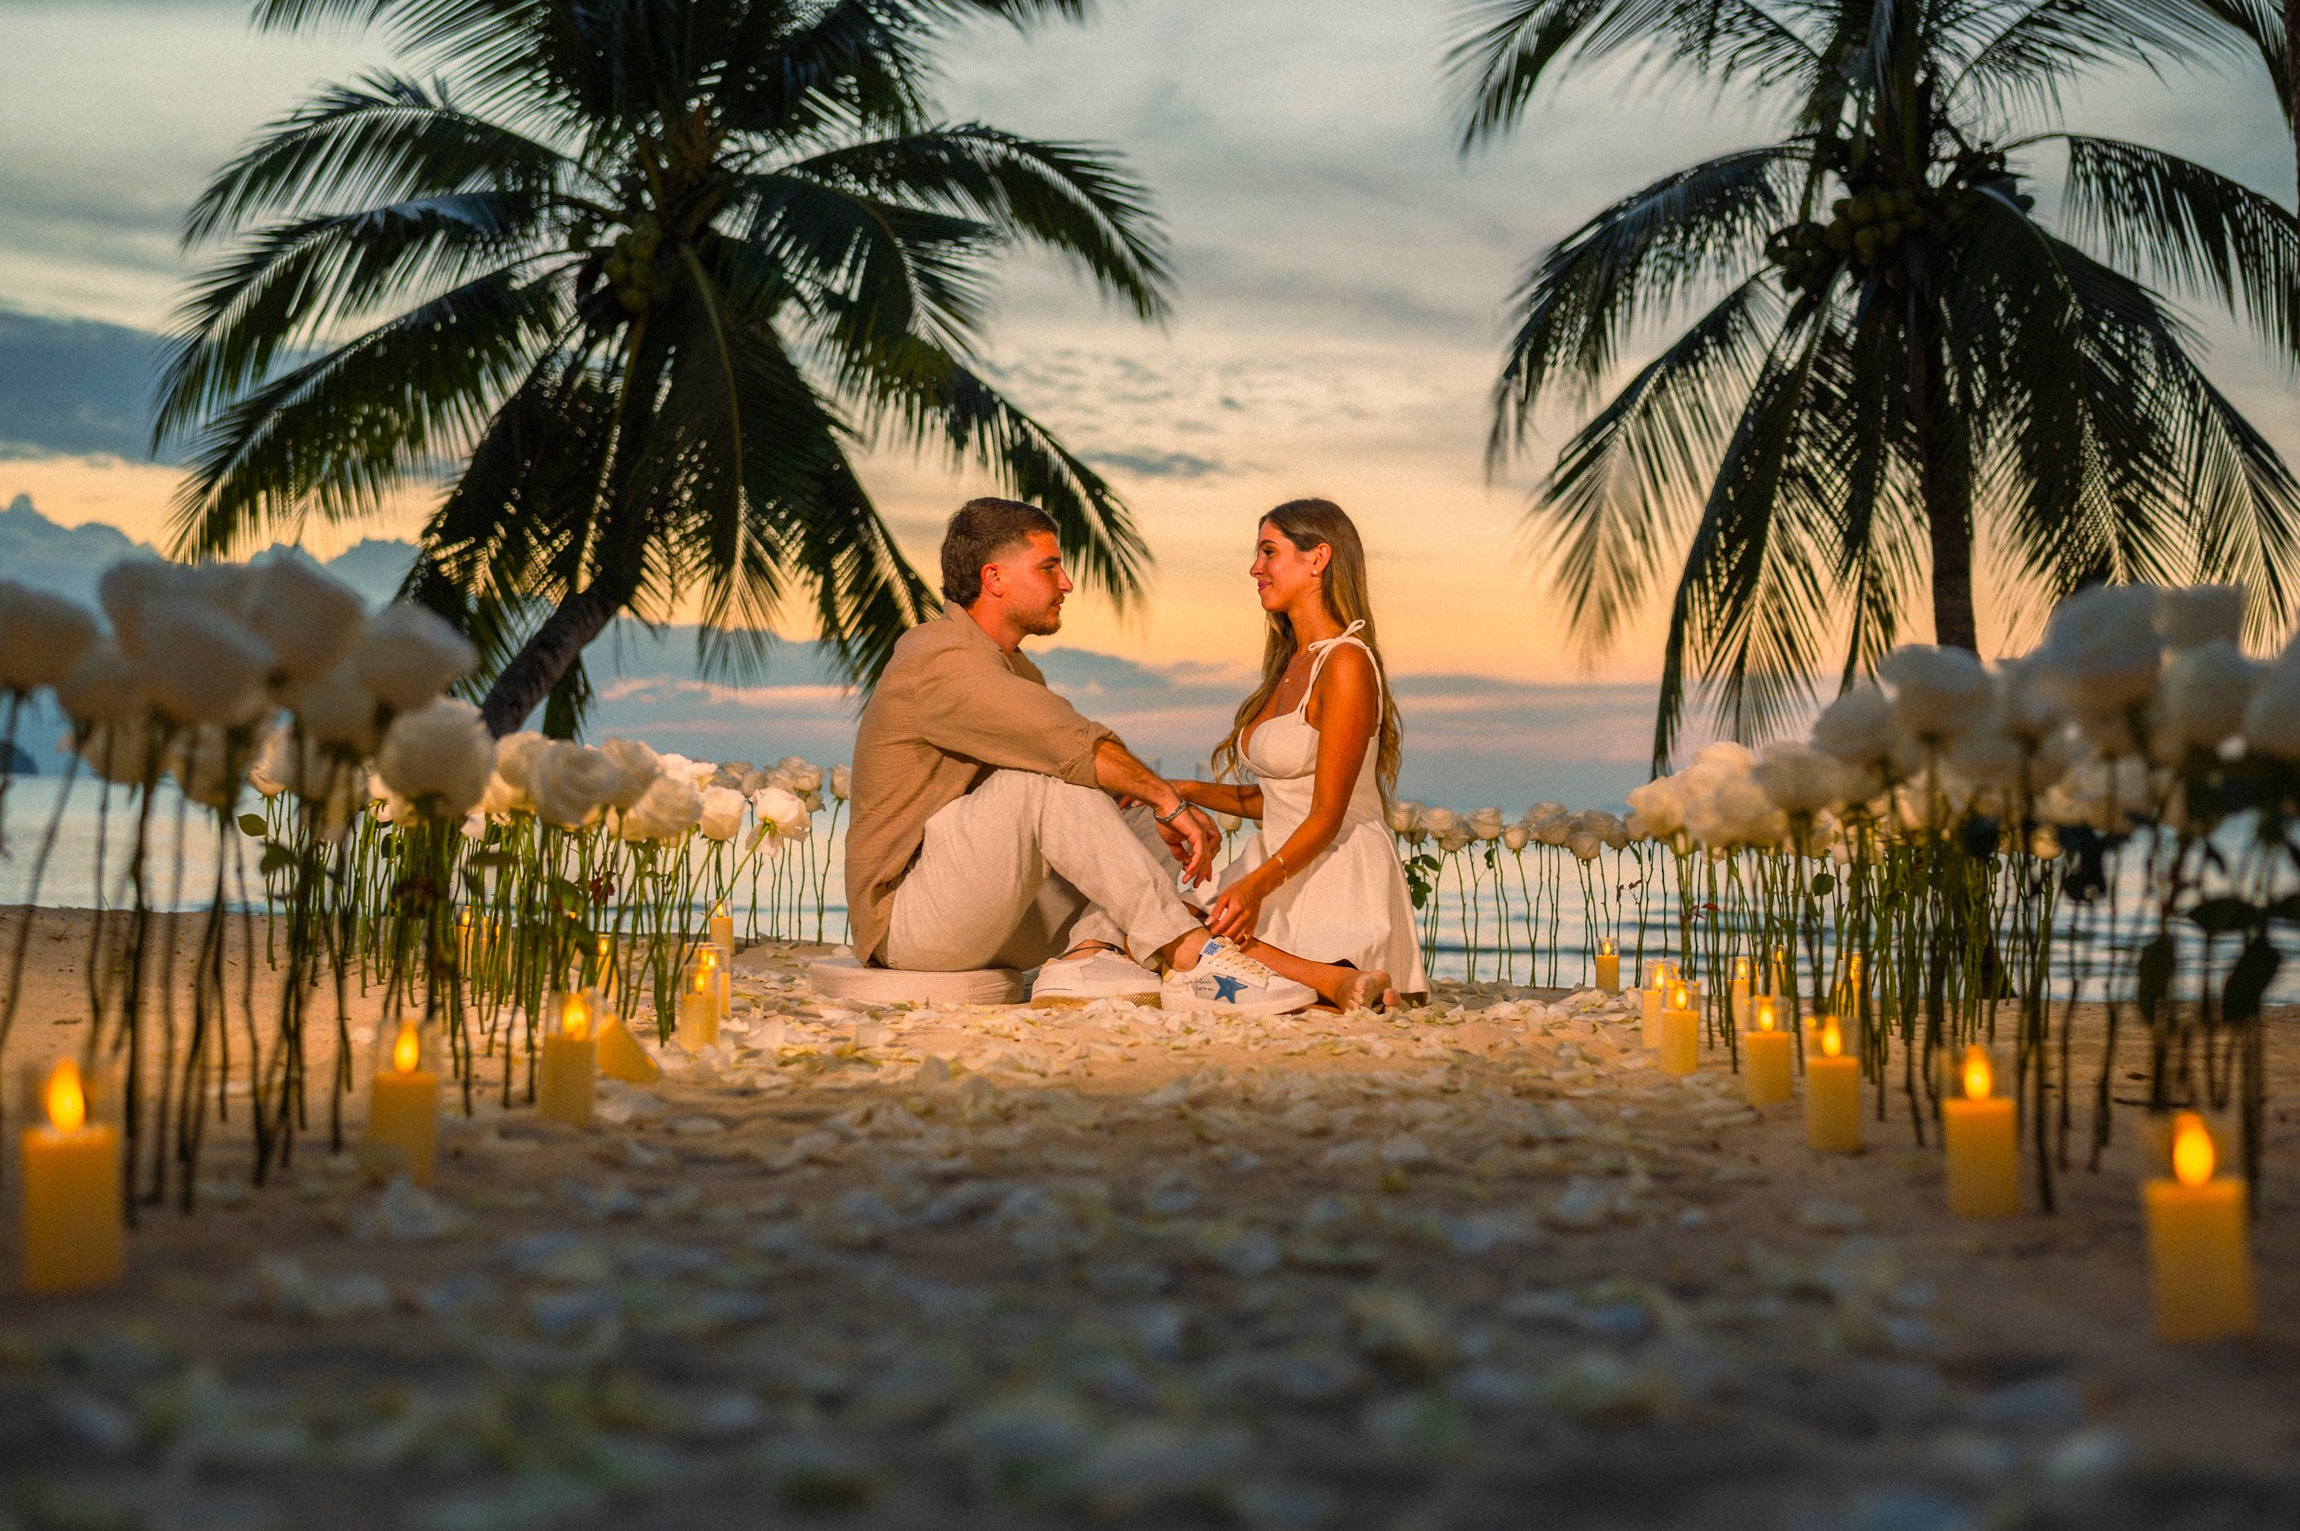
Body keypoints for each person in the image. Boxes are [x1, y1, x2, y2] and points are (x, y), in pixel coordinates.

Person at [846, 497, 1394, 1015]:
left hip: (995, 918)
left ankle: (1092, 953)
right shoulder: (938, 658)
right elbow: (1067, 744)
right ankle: (1190, 955)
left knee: (1139, 817)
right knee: (1045, 782)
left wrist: (1163, 804)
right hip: (910, 925)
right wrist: (1169, 799)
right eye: (1049, 568)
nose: (1066, 583)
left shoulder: (1016, 669)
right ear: (994, 579)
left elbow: (1081, 777)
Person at [1160, 499, 1427, 1005]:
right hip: (1278, 860)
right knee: (1158, 918)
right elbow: (1280, 799)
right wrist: (1180, 790)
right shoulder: (1291, 662)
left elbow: (1327, 812)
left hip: (1332, 867)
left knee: (1172, 931)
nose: (1254, 569)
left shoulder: (1345, 662)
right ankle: (1326, 979)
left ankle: (1327, 975)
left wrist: (1255, 887)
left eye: (1269, 552)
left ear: (1317, 558)